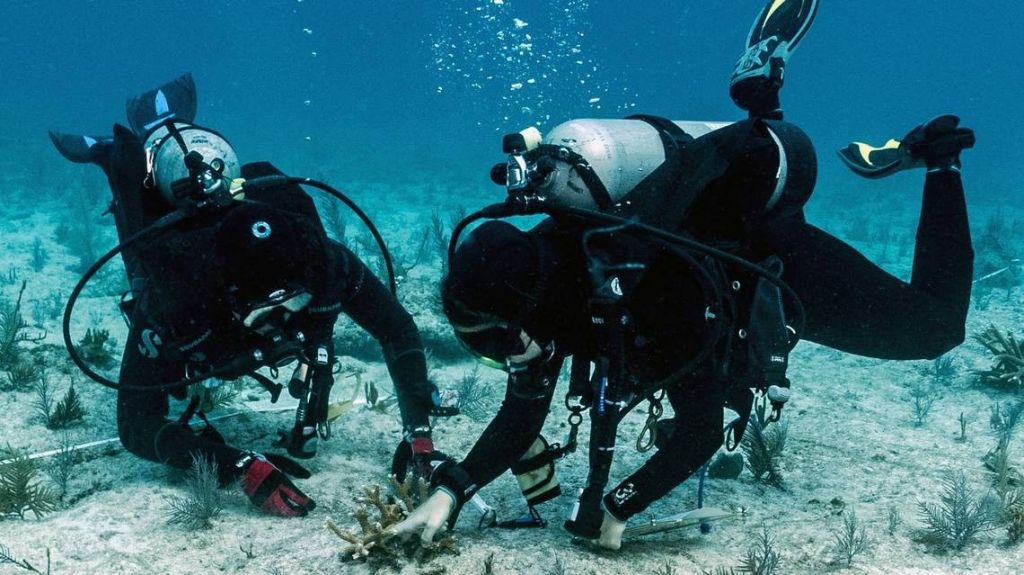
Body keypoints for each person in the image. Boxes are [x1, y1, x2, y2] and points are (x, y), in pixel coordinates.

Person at [392, 0, 975, 550]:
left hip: (758, 244)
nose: (513, 365)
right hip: (703, 197)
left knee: (933, 331)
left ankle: (940, 157)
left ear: (527, 316)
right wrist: (452, 490)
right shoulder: (540, 275)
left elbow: (699, 432)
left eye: (504, 351)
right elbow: (521, 416)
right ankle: (761, 99)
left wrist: (620, 507)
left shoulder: (646, 294)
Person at [50, 74, 444, 517]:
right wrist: (238, 468)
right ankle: (115, 157)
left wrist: (419, 433)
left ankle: (164, 134)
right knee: (142, 242)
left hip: (255, 222)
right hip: (179, 255)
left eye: (294, 301)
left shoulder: (321, 263)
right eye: (265, 310)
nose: (282, 320)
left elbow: (396, 328)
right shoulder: (179, 298)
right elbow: (136, 426)